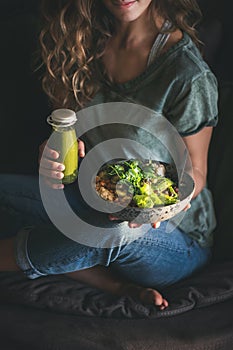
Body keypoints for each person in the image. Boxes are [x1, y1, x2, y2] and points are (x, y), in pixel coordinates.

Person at [0, 0, 218, 310]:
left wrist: (162, 205)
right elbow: (69, 139)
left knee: (112, 230)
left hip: (173, 236)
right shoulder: (79, 43)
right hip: (95, 203)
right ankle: (116, 286)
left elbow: (196, 173)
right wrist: (53, 157)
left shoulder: (187, 73)